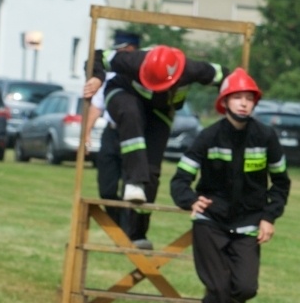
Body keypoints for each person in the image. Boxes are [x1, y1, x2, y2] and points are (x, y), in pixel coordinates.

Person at [169, 68, 290, 303]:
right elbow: (180, 178)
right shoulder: (208, 136)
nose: (244, 103)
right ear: (224, 102)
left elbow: (282, 182)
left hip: (248, 223)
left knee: (246, 287)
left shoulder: (265, 136)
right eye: (237, 98)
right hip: (210, 222)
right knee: (218, 285)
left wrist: (269, 216)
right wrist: (189, 199)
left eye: (249, 98)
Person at [91, 45, 219, 210]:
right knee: (131, 113)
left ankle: (136, 233)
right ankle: (134, 181)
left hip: (160, 109)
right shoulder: (134, 60)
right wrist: (97, 77)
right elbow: (97, 56)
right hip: (122, 93)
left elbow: (223, 74)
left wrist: (235, 95)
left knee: (151, 169)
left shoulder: (191, 69)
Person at [83, 31, 145, 243]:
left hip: (135, 135)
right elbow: (97, 105)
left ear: (133, 50)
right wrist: (87, 133)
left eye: (124, 50)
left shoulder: (143, 73)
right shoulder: (108, 75)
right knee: (107, 187)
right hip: (111, 132)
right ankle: (120, 230)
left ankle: (130, 235)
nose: (119, 53)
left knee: (133, 188)